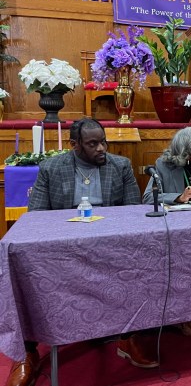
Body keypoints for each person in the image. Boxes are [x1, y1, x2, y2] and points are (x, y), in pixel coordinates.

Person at [9, 119, 151, 386]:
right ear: (74, 145)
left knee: (140, 263)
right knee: (26, 272)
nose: (101, 148)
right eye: (93, 144)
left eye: (103, 141)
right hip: (63, 246)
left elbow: (134, 212)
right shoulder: (52, 168)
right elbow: (36, 216)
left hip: (110, 243)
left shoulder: (119, 166)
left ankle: (129, 336)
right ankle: (26, 351)